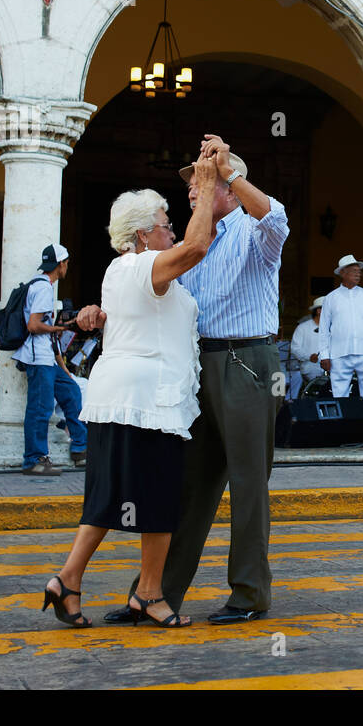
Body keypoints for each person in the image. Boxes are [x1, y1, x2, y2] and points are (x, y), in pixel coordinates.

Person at [102, 135, 289, 626]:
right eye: (191, 183)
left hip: (247, 360)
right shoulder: (193, 237)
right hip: (197, 363)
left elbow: (276, 219)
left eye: (203, 182)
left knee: (248, 483)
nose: (193, 189)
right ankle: (155, 595)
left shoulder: (253, 232)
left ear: (231, 186)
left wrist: (226, 170)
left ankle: (249, 594)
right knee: (189, 485)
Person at [43, 157, 219, 629]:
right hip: (147, 402)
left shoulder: (123, 271)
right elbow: (198, 245)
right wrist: (204, 181)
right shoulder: (142, 266)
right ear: (143, 234)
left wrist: (93, 314)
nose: (172, 232)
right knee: (159, 499)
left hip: (119, 399)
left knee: (109, 494)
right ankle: (149, 595)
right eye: (166, 226)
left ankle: (69, 580)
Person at [14, 244, 88, 475]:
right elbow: (34, 325)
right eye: (66, 264)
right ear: (61, 264)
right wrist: (57, 327)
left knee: (71, 391)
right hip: (38, 359)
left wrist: (63, 366)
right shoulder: (44, 288)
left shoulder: (40, 285)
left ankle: (81, 446)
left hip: (46, 357)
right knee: (40, 409)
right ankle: (34, 460)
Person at [318, 254, 363, 409]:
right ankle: (344, 424)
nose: (358, 273)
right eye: (354, 270)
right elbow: (324, 330)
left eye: (359, 271)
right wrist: (324, 355)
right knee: (339, 392)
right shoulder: (331, 298)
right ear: (343, 273)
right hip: (340, 353)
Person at [289, 297, 326, 399]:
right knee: (317, 376)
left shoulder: (331, 327)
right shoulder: (303, 327)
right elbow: (295, 348)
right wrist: (309, 357)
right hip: (310, 365)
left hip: (329, 365)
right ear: (319, 311)